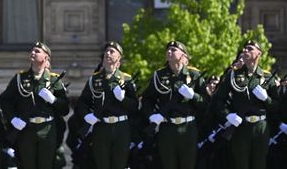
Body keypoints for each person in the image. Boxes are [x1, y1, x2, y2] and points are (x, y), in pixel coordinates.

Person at [0, 41, 69, 169]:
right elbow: (4, 100)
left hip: (47, 129)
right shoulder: (20, 78)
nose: (33, 53)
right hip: (27, 130)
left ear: (46, 57)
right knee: (26, 164)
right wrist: (13, 118)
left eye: (37, 51)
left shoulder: (54, 80)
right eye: (32, 50)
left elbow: (65, 108)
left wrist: (53, 99)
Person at [211, 40, 279, 169]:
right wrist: (228, 115)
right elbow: (218, 100)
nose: (245, 51)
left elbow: (276, 106)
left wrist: (266, 99)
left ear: (259, 53)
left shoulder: (267, 77)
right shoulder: (233, 75)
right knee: (241, 164)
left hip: (260, 127)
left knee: (259, 164)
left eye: (249, 48)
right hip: (241, 127)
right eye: (244, 49)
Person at [140, 40, 206, 169]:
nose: (169, 52)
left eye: (173, 50)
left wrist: (193, 96)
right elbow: (147, 99)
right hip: (167, 128)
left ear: (183, 55)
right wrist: (152, 116)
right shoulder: (159, 75)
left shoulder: (194, 75)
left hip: (188, 128)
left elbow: (206, 102)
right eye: (168, 50)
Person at [74, 41, 137, 169]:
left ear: (119, 58)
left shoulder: (126, 79)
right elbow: (82, 103)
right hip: (101, 127)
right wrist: (87, 116)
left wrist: (123, 99)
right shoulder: (94, 80)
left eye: (112, 51)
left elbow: (134, 106)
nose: (108, 53)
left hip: (121, 128)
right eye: (106, 51)